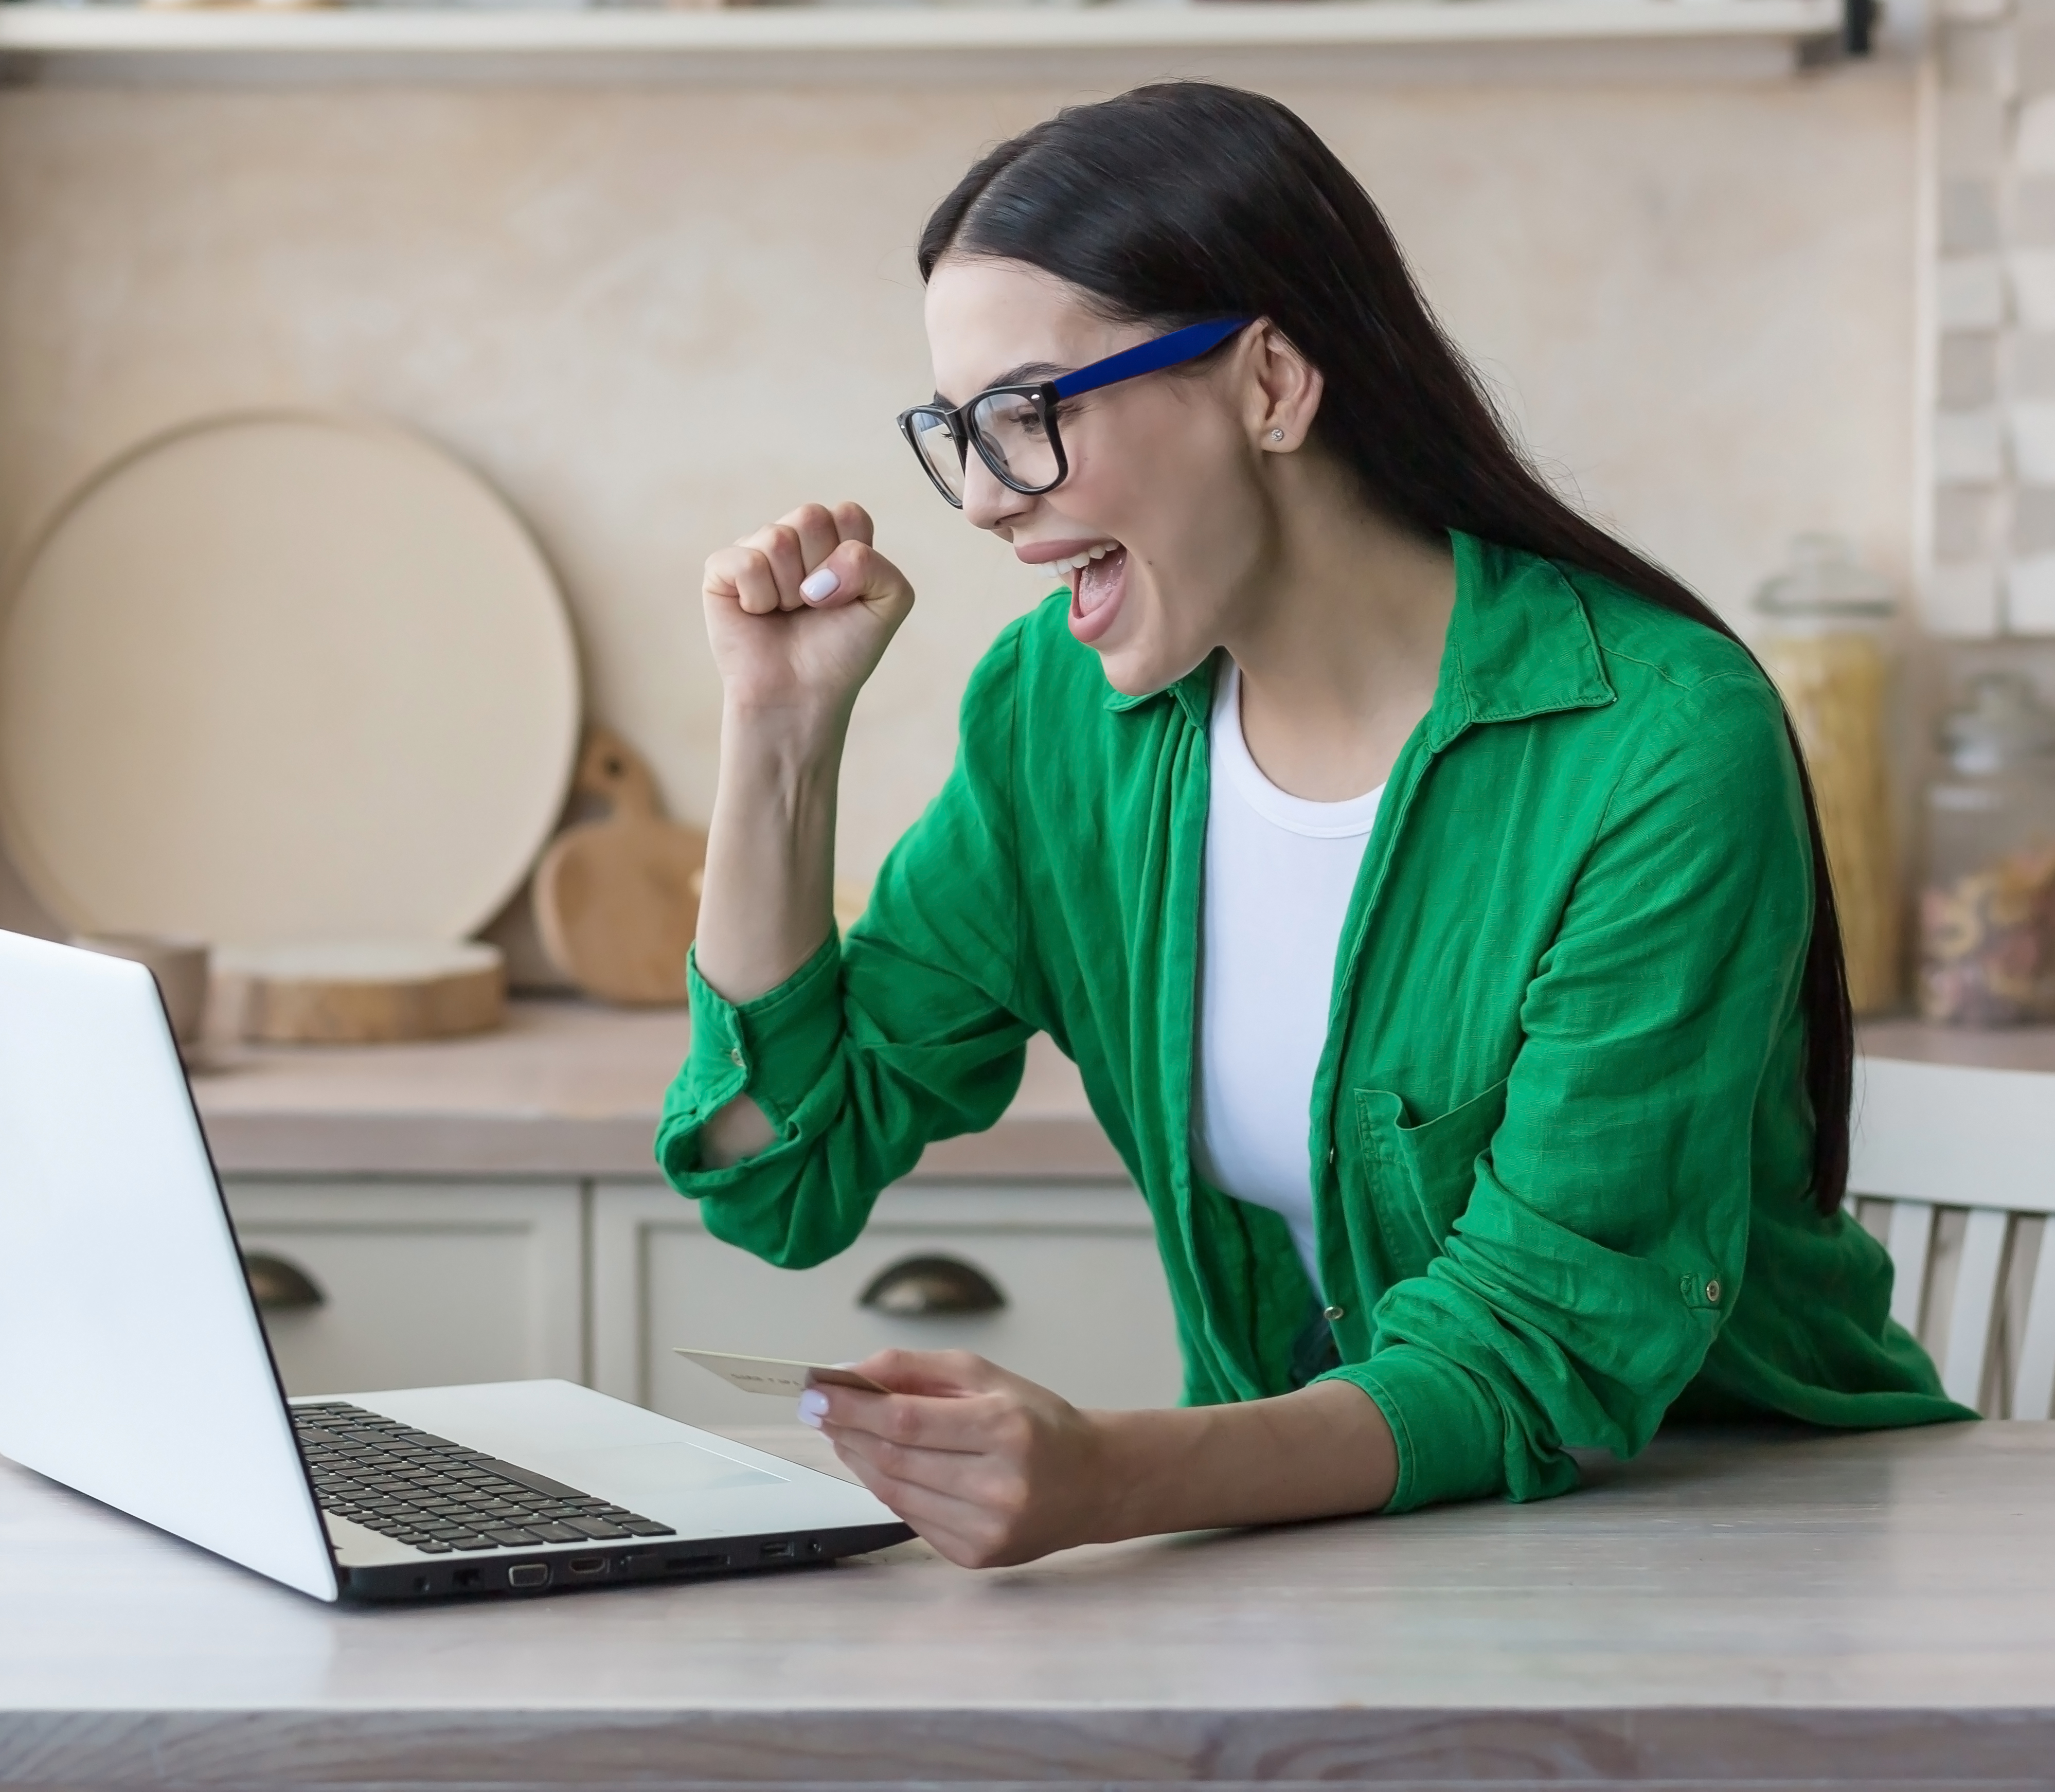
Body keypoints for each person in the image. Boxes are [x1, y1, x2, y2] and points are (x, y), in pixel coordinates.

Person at [661, 82, 1961, 1571]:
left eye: (1028, 416)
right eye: (956, 432)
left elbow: (1533, 1354)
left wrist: (1111, 1481)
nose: (979, 499)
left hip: (1719, 1553)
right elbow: (778, 1170)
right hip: (1326, 1556)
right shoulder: (1060, 717)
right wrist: (774, 733)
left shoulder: (1657, 745)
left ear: (1271, 384)